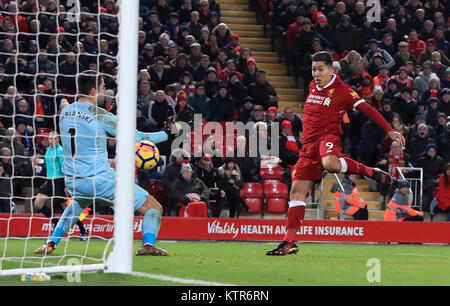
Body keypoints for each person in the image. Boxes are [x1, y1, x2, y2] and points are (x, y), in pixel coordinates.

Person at [266, 51, 405, 256]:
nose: (316, 73)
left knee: (331, 164)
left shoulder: (343, 91)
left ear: (332, 70)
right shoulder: (313, 86)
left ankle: (369, 171)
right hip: (308, 147)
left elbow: (368, 110)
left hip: (327, 138)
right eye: (314, 69)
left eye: (320, 69)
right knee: (296, 192)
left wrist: (389, 130)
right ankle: (289, 241)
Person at [34, 71, 182, 256]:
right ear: (95, 90)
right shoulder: (100, 115)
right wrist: (169, 133)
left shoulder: (65, 112)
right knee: (154, 207)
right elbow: (138, 137)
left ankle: (51, 243)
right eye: (104, 88)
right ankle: (147, 245)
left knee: (77, 205)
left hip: (74, 180)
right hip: (101, 180)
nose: (105, 91)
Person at [33, 131, 88, 239]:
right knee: (38, 203)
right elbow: (49, 163)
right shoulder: (48, 150)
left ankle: (83, 230)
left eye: (54, 139)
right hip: (50, 181)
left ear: (58, 140)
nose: (51, 141)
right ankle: (56, 222)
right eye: (50, 139)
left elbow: (65, 167)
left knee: (66, 208)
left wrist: (66, 184)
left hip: (59, 181)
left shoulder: (60, 151)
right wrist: (37, 160)